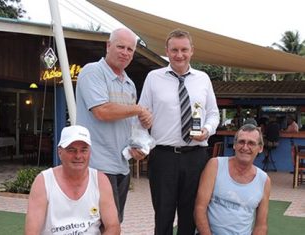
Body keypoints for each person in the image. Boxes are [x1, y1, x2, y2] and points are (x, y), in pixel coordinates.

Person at [139, 29, 220, 235]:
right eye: (174, 50)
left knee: (190, 215)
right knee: (163, 215)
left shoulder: (203, 79)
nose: (179, 54)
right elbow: (140, 117)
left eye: (184, 49)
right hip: (163, 157)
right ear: (167, 51)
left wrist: (207, 130)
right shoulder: (153, 78)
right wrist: (141, 142)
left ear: (192, 51)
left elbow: (213, 113)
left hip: (195, 157)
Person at [76, 28, 152, 222]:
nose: (125, 53)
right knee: (98, 226)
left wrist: (137, 145)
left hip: (121, 166)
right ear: (108, 46)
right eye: (120, 46)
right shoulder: (92, 71)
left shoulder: (129, 83)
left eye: (130, 49)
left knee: (114, 223)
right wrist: (137, 109)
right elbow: (102, 111)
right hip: (97, 166)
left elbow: (129, 125)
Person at [25, 125, 120, 235]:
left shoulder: (100, 180)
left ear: (90, 152)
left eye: (83, 150)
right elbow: (31, 232)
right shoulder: (43, 181)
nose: (78, 156)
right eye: (71, 150)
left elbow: (113, 226)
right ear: (60, 152)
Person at [194, 124, 271, 235]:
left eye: (251, 143)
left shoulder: (264, 180)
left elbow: (261, 225)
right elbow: (200, 208)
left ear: (260, 148)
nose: (245, 147)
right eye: (241, 142)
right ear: (234, 145)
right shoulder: (215, 165)